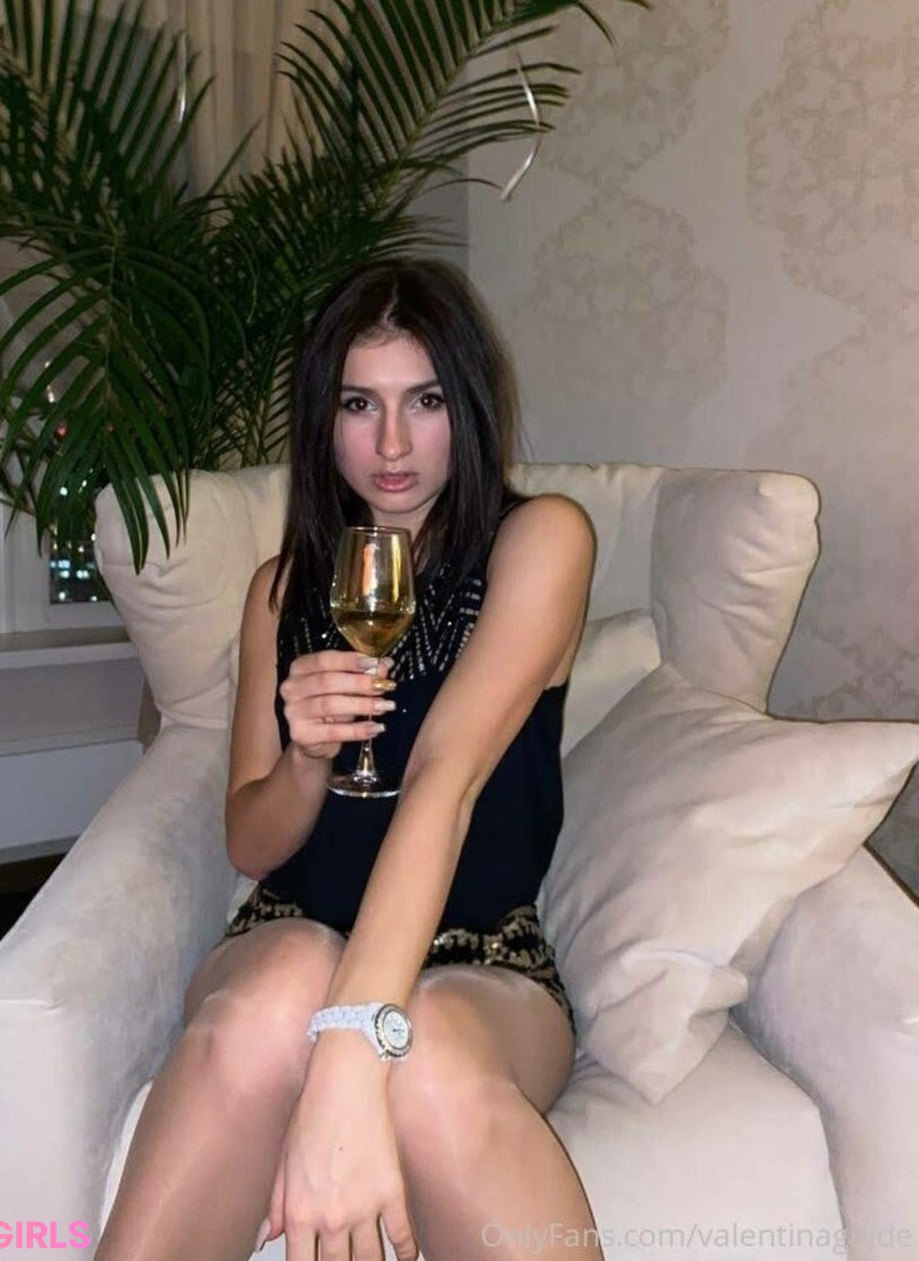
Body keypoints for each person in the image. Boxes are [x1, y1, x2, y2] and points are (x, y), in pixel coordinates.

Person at [95, 259, 599, 1261]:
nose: (393, 443)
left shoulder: (541, 541)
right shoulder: (281, 590)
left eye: (426, 401)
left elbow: (447, 781)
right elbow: (251, 842)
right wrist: (306, 761)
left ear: (470, 405)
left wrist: (348, 1054)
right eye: (359, 404)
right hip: (288, 930)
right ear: (323, 419)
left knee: (427, 1060)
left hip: (480, 959)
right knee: (285, 980)